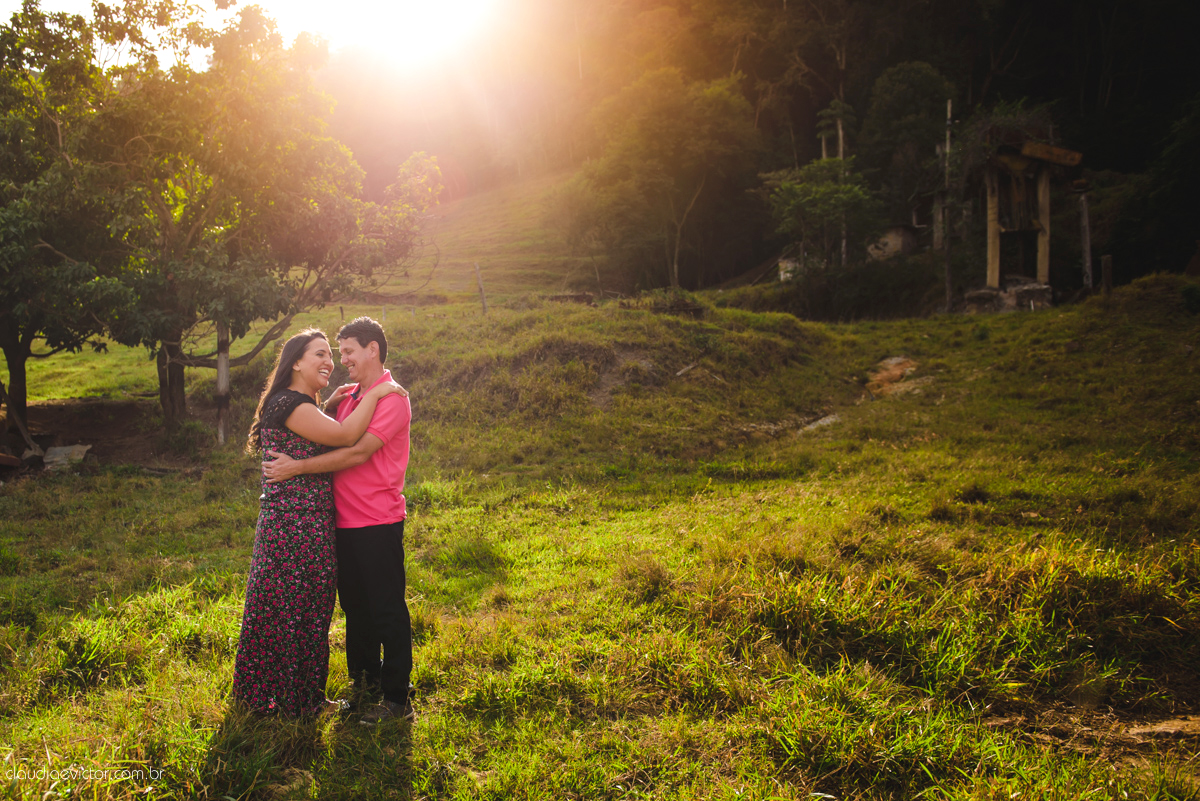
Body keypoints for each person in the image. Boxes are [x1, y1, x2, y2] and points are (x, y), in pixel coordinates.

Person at [233, 328, 406, 717]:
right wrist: (377, 391)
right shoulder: (291, 405)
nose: (331, 361)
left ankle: (311, 699)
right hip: (294, 525)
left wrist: (328, 403)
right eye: (322, 354)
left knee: (310, 611)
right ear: (295, 361)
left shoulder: (304, 404)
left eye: (337, 353)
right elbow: (345, 436)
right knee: (289, 612)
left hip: (315, 524)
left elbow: (323, 432)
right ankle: (280, 703)